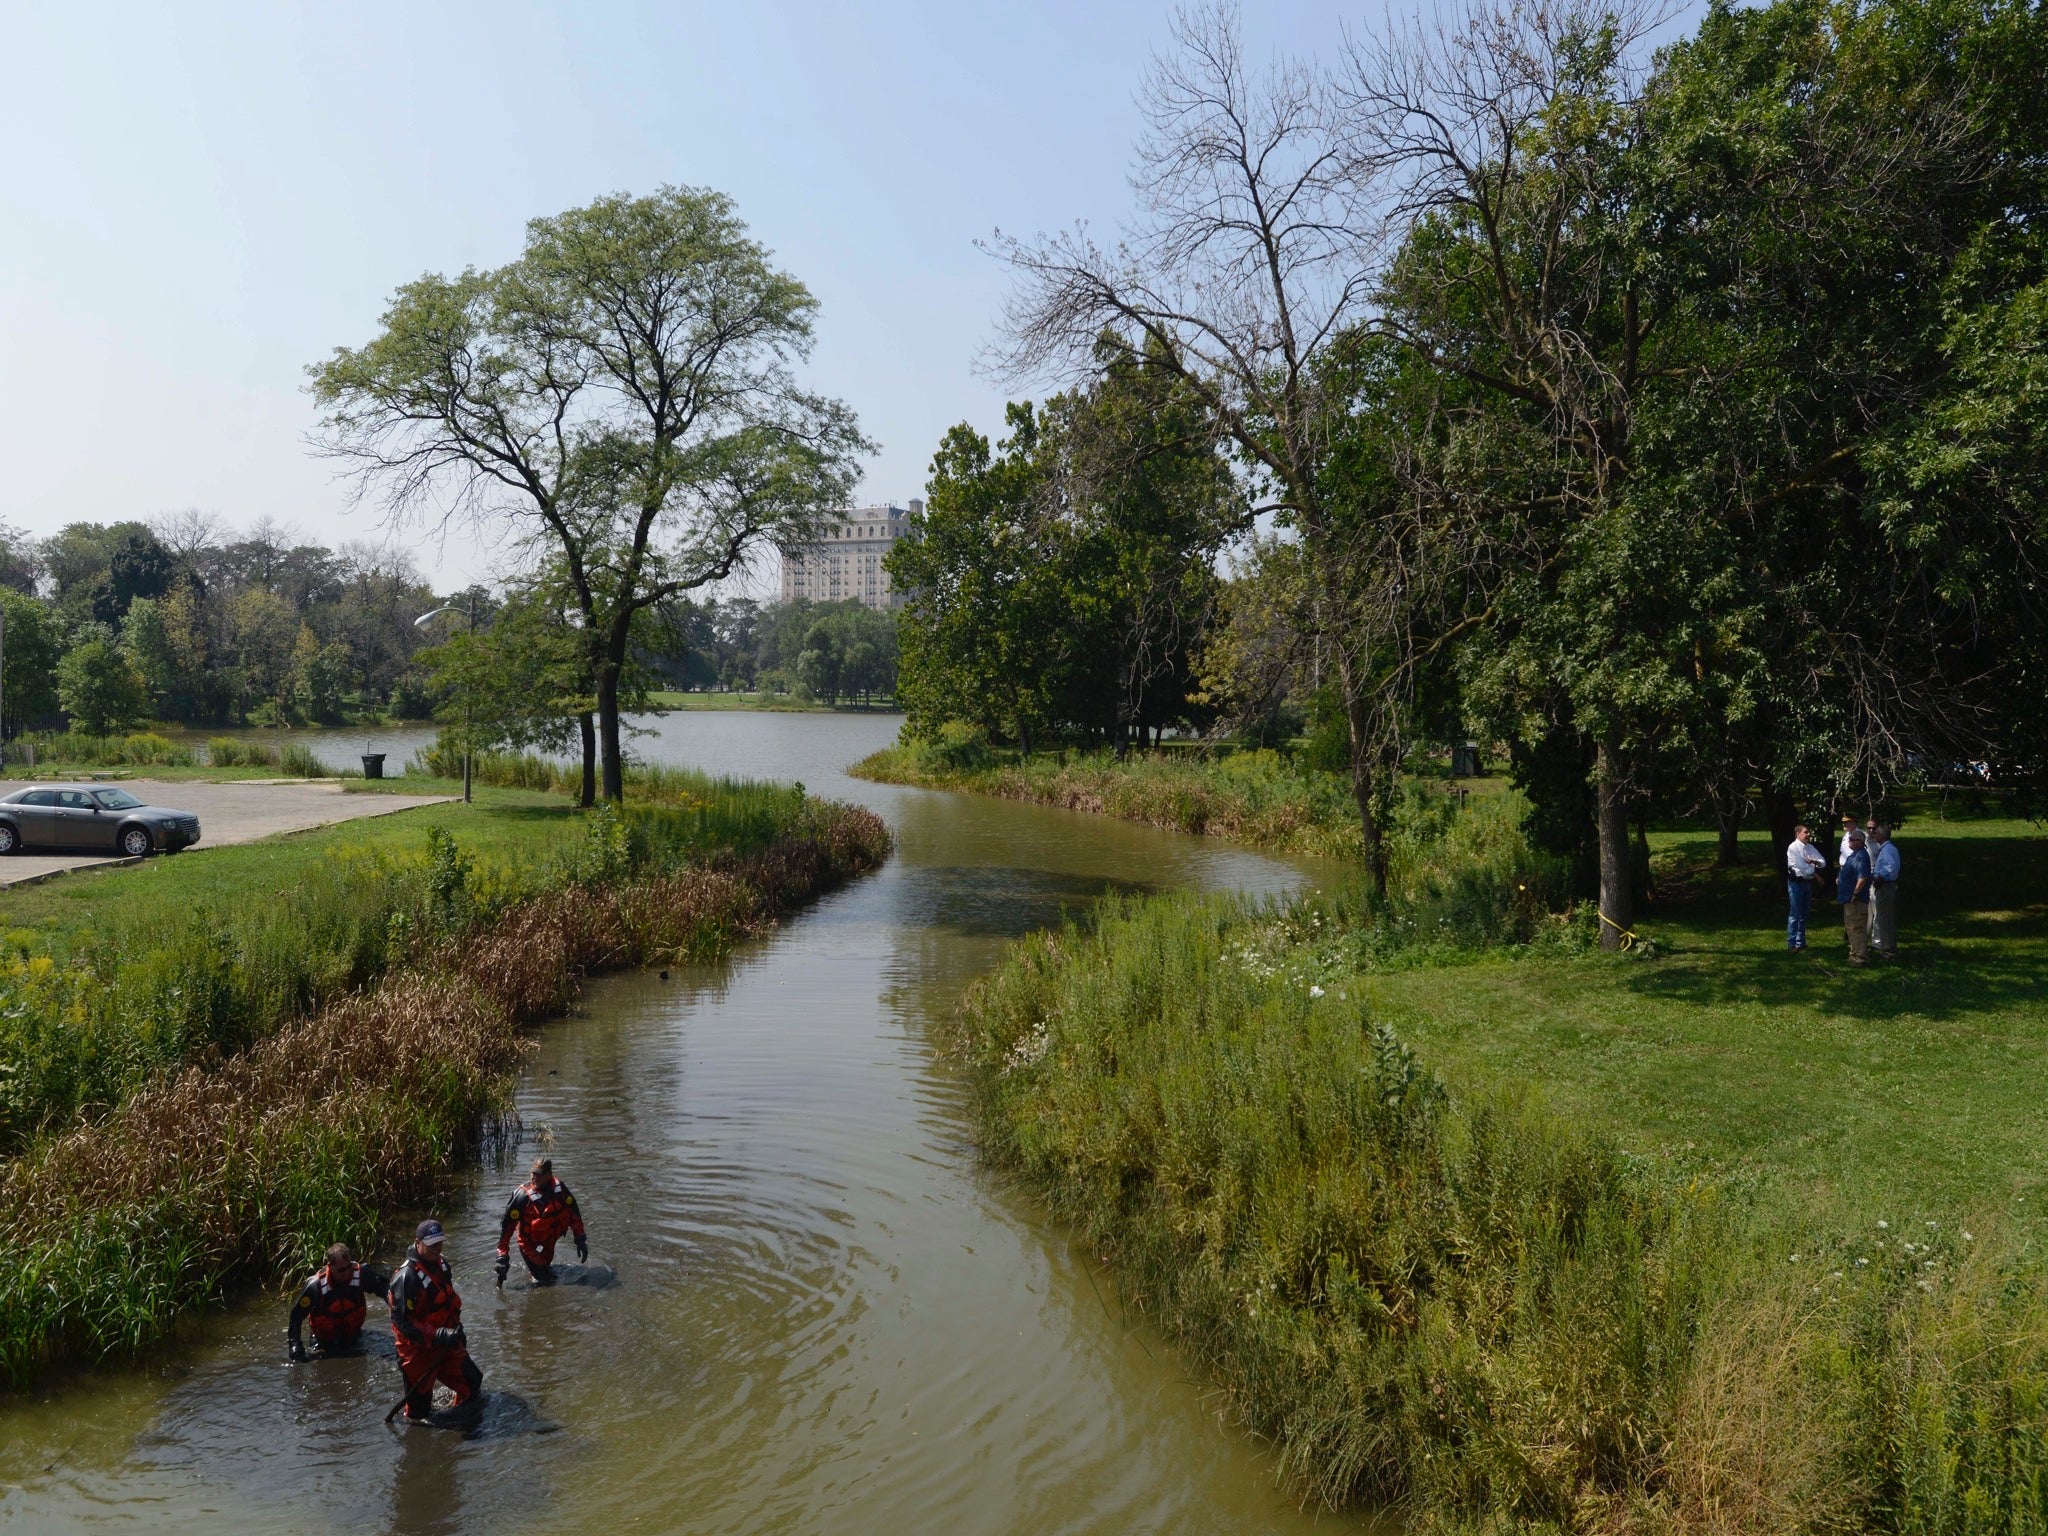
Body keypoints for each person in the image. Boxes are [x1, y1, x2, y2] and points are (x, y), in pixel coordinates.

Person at [388, 1219, 482, 1423]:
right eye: (431, 1245)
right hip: (417, 1352)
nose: (436, 1249)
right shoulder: (406, 1278)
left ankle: (459, 1420)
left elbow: (449, 1302)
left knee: (473, 1382)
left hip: (446, 1343)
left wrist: (457, 1330)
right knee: (418, 1414)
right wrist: (438, 1335)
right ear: (418, 1242)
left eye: (439, 1244)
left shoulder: (442, 1265)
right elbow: (404, 1325)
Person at [287, 1243, 390, 1361]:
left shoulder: (361, 1274)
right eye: (341, 1270)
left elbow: (385, 1288)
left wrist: (394, 1304)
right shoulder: (315, 1287)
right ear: (330, 1267)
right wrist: (295, 1346)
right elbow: (296, 1317)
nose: (347, 1272)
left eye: (349, 1267)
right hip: (323, 1343)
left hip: (353, 1337)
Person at [495, 1157, 588, 1287]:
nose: (534, 1178)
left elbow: (573, 1213)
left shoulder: (560, 1190)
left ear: (549, 1175)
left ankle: (534, 1277)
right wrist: (502, 1256)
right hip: (529, 1245)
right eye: (533, 1173)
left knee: (548, 1273)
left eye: (539, 1174)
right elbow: (507, 1228)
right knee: (546, 1281)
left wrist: (580, 1238)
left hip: (549, 1243)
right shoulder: (522, 1197)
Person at [1785, 823, 1828, 950]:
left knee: (1804, 913)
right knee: (1795, 914)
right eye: (1805, 832)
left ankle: (1801, 942)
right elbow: (1802, 866)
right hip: (1796, 883)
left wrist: (1814, 862)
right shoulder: (1793, 848)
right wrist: (1814, 871)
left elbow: (1823, 862)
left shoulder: (1810, 847)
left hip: (1807, 883)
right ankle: (1791, 943)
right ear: (1798, 834)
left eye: (1808, 832)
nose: (1808, 834)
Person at [1838, 829, 1873, 966]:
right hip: (1848, 899)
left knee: (1857, 927)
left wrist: (1855, 894)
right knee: (1851, 928)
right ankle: (1854, 954)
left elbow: (1863, 877)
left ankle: (1860, 957)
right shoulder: (1854, 855)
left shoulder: (1861, 856)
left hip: (1855, 900)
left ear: (1860, 842)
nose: (1849, 841)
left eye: (1852, 839)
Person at [1870, 824, 1902, 958]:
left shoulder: (1887, 850)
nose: (1874, 834)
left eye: (1876, 833)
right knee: (1886, 917)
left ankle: (1887, 949)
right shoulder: (1887, 849)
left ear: (1881, 836)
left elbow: (1890, 868)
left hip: (1885, 886)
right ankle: (1890, 947)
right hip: (1886, 886)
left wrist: (1878, 879)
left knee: (1883, 918)